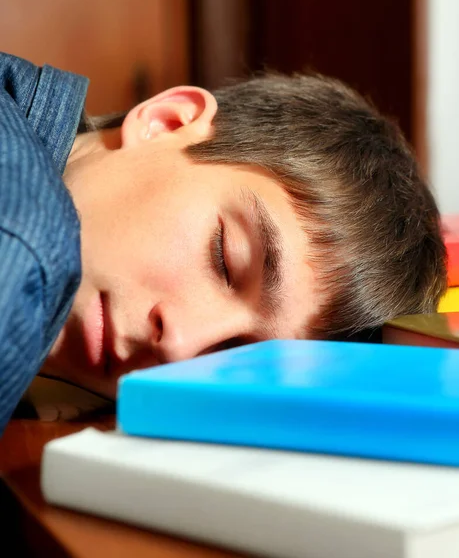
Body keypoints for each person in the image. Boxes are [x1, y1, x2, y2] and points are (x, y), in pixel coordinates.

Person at [0, 52, 447, 433]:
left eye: (237, 356)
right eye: (224, 259)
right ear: (167, 122)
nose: (179, 346)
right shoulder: (26, 241)